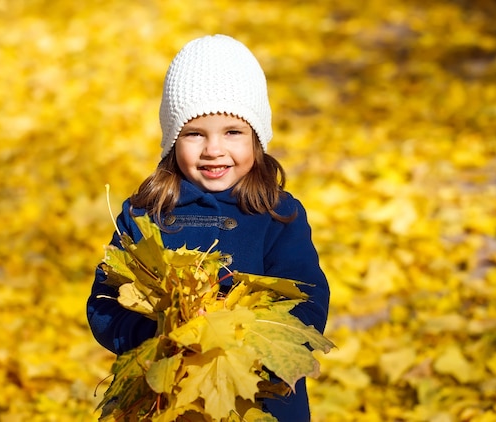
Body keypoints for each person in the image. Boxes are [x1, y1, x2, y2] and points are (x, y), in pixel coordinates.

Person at [87, 34, 330, 422]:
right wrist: (154, 339)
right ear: (172, 140)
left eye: (233, 132)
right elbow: (104, 302)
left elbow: (307, 298)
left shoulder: (277, 214)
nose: (214, 149)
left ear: (257, 138)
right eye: (195, 133)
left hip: (259, 399)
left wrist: (252, 347)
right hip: (162, 400)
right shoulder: (145, 214)